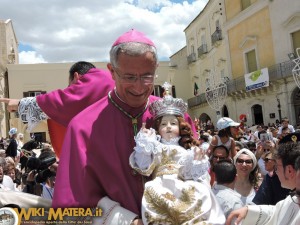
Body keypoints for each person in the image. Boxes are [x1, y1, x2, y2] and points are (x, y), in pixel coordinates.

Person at [52, 29, 197, 225]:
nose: (139, 87)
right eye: (129, 77)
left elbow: (199, 177)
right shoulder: (82, 127)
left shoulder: (175, 118)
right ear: (112, 71)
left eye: (147, 76)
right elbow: (73, 202)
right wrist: (128, 221)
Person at [129, 83, 224, 224]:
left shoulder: (187, 149)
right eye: (163, 124)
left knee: (200, 193)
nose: (168, 127)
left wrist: (196, 161)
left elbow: (195, 175)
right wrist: (145, 144)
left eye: (173, 123)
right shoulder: (155, 146)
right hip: (160, 186)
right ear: (157, 128)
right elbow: (144, 167)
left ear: (180, 127)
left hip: (185, 184)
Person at [0, 61, 115, 129]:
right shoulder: (108, 78)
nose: (70, 90)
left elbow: (65, 101)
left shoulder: (96, 79)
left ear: (76, 76)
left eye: (71, 87)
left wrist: (20, 103)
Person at [226, 133, 300, 225]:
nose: (275, 171)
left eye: (277, 167)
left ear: (289, 170)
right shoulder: (293, 199)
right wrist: (249, 211)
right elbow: (277, 211)